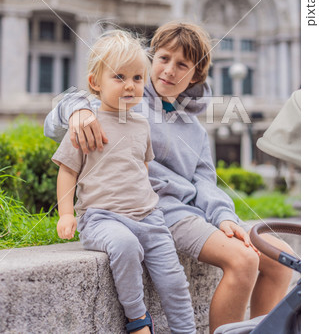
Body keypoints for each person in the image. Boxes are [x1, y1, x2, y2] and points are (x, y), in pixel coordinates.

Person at [45, 21, 293, 333]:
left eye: (182, 65)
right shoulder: (127, 99)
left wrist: (224, 215)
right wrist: (77, 109)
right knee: (244, 261)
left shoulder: (196, 129)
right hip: (160, 213)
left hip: (197, 213)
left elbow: (205, 180)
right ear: (152, 58)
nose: (169, 71)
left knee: (282, 258)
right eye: (163, 59)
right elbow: (55, 122)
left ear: (196, 75)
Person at [51, 30, 196, 334]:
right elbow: (67, 171)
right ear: (95, 83)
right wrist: (66, 213)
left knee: (174, 279)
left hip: (149, 218)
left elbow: (141, 166)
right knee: (126, 246)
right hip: (101, 218)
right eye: (119, 77)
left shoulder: (141, 124)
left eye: (137, 78)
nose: (130, 85)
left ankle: (186, 330)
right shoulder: (86, 123)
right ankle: (137, 318)